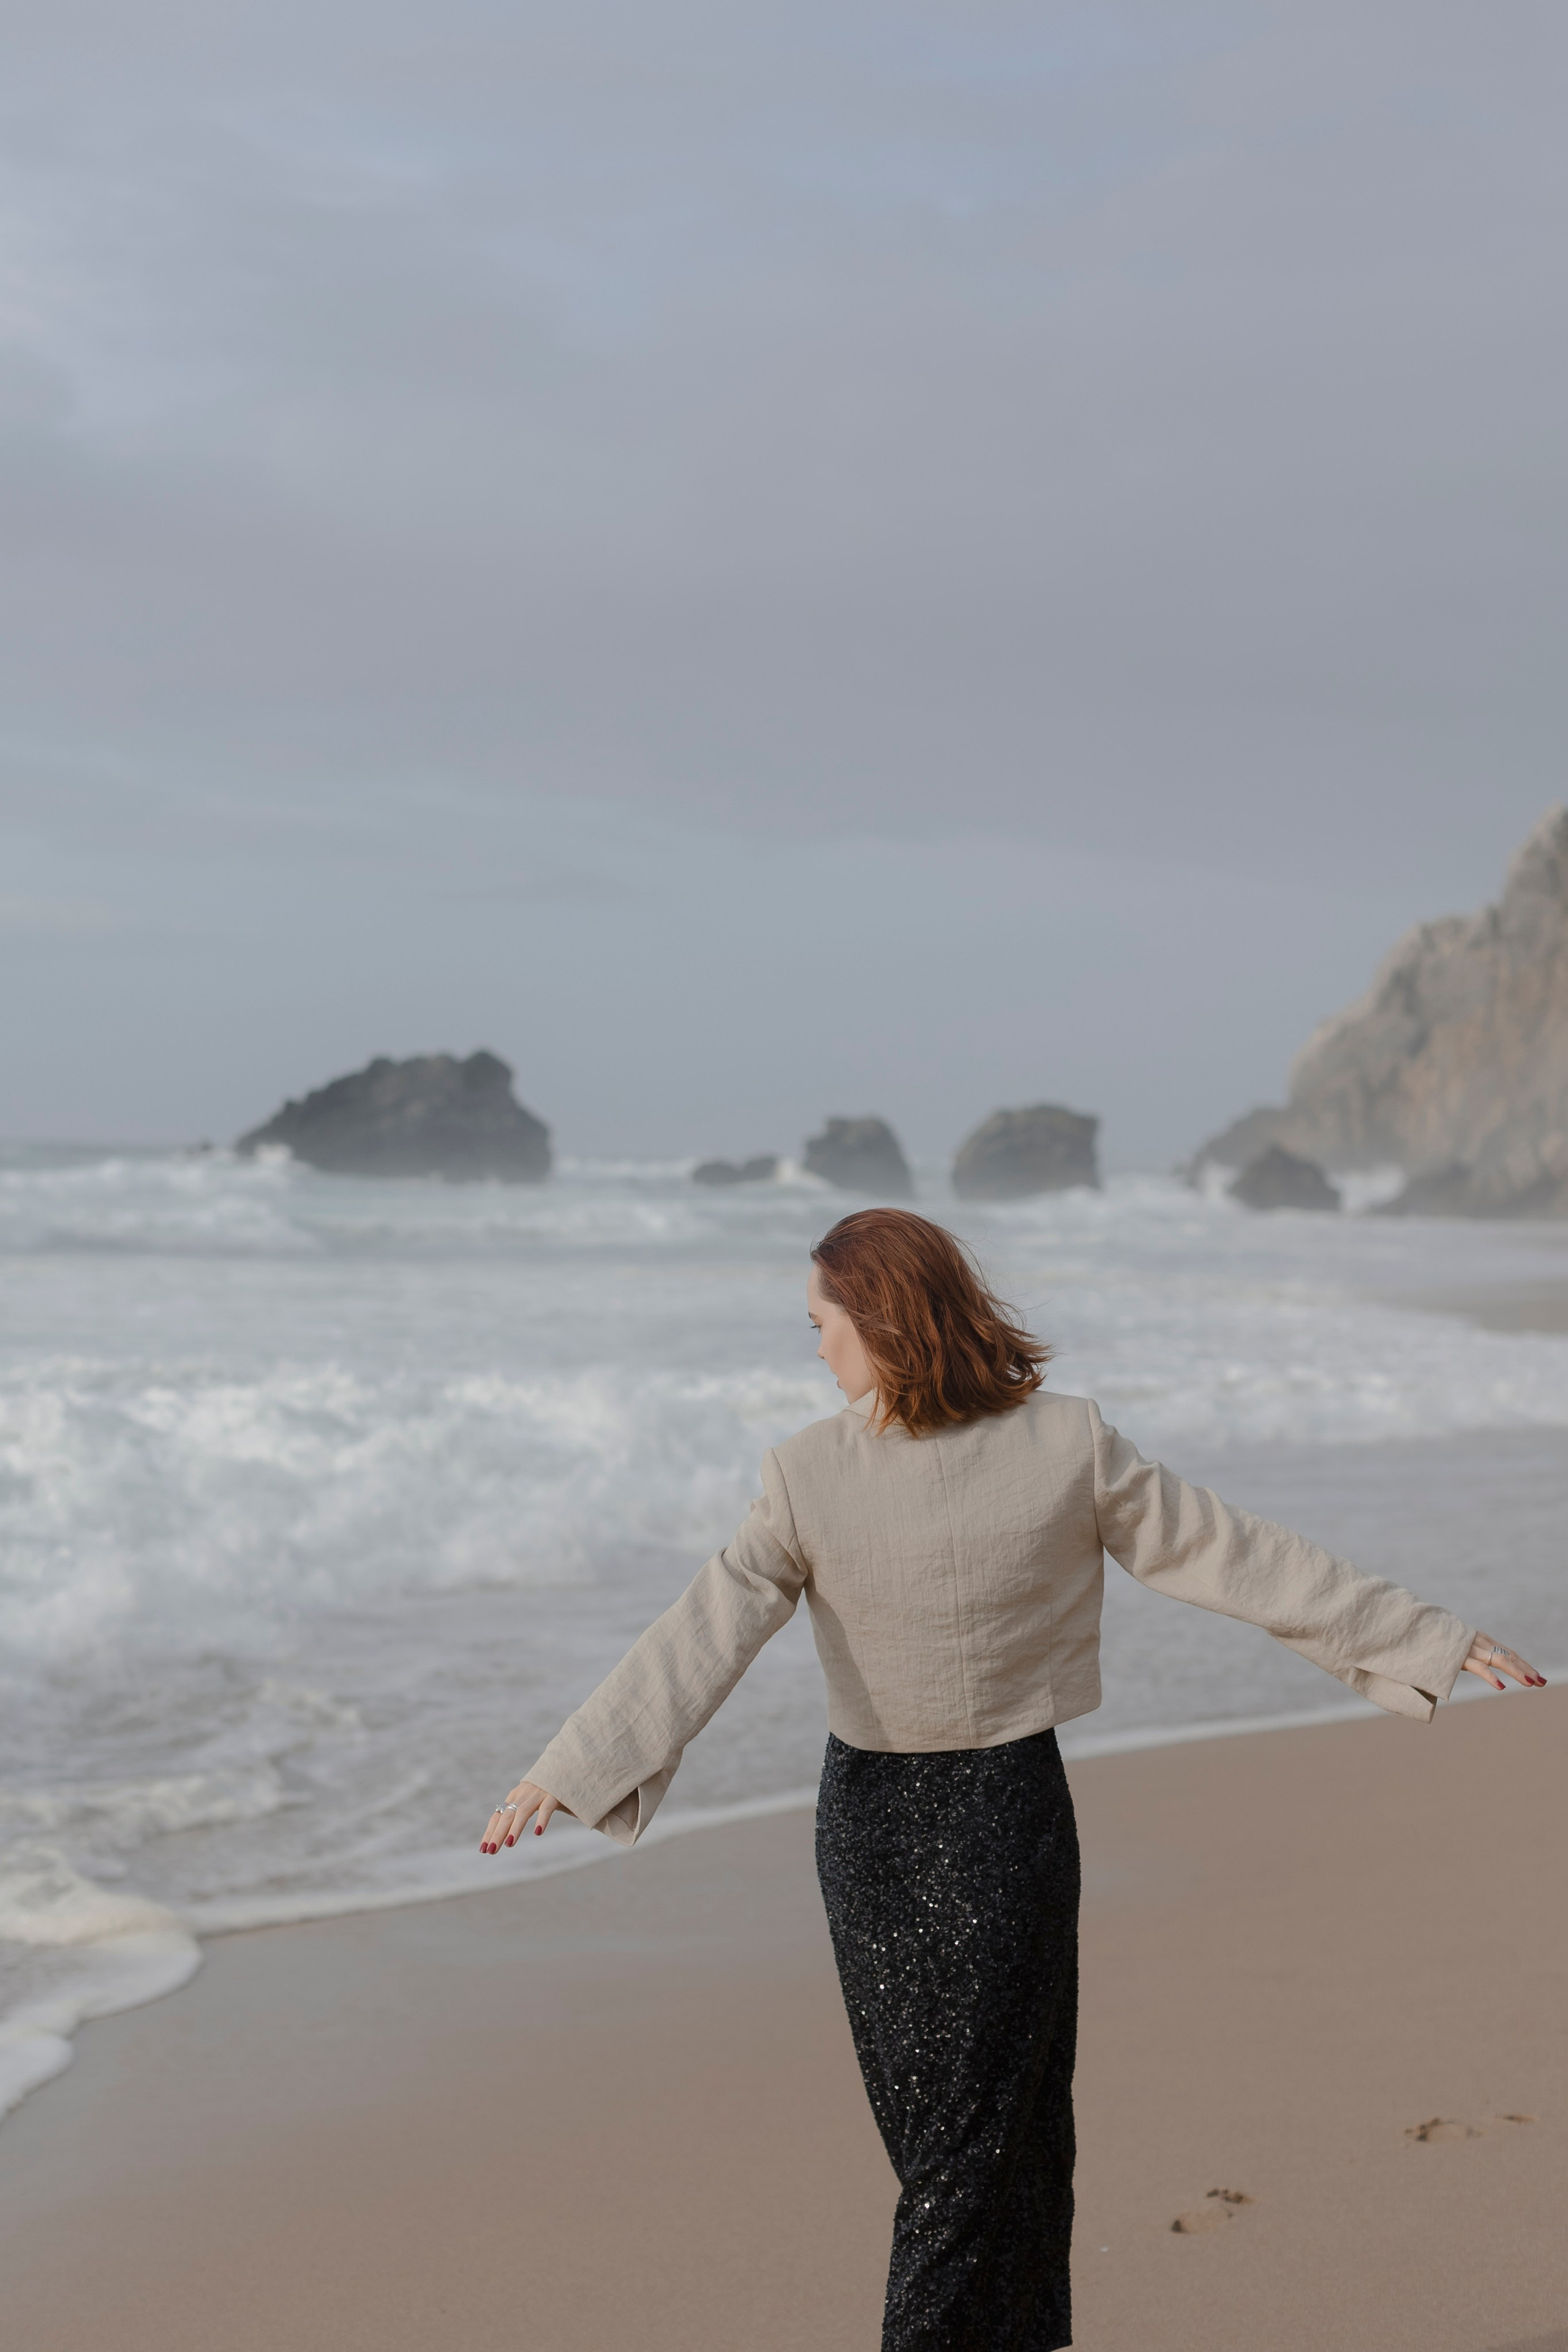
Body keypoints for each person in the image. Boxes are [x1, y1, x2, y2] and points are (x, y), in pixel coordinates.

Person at [480, 1208, 1545, 2352]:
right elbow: (706, 1628)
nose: (817, 1348)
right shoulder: (806, 1473)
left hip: (1001, 1821)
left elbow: (1228, 1551)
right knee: (965, 2141)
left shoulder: (1064, 1444)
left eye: (823, 1323)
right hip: (877, 1838)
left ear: (885, 1320)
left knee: (981, 2143)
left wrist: (1419, 1634)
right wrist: (575, 1765)